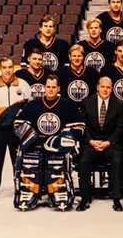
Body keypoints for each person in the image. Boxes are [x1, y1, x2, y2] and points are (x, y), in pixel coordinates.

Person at [13, 75, 85, 211]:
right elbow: (18, 123)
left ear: (58, 88)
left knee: (58, 165)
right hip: (37, 146)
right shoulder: (33, 105)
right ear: (44, 88)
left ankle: (59, 191)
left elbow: (79, 126)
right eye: (48, 87)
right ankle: (29, 191)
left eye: (54, 87)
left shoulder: (68, 104)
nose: (51, 90)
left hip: (58, 148)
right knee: (29, 162)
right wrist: (32, 137)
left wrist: (63, 139)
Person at [0, 58, 32, 204]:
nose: (7, 70)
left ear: (14, 68)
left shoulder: (23, 85)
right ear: (0, 69)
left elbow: (29, 105)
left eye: (10, 67)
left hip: (17, 131)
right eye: (4, 67)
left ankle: (22, 188)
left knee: (18, 161)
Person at [77, 76, 123, 211]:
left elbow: (120, 127)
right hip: (92, 142)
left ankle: (116, 198)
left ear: (112, 89)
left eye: (108, 87)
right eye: (102, 86)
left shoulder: (119, 104)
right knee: (84, 161)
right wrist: (91, 141)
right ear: (97, 87)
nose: (105, 89)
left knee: (117, 160)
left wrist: (108, 142)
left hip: (110, 143)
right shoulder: (86, 103)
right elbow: (83, 125)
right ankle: (85, 197)